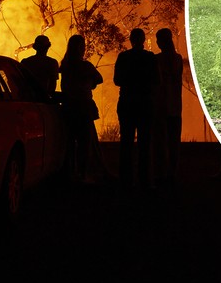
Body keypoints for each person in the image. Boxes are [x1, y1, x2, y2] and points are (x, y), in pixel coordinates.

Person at [113, 28, 159, 191]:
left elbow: (117, 80)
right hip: (145, 103)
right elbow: (156, 80)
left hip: (127, 103)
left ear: (131, 40)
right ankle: (145, 180)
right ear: (143, 40)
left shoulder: (124, 57)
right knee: (145, 143)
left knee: (126, 142)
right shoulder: (150, 58)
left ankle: (126, 180)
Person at [59, 34, 103, 181]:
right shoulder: (85, 66)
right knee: (85, 143)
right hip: (83, 109)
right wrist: (89, 84)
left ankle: (70, 173)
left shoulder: (64, 66)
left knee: (70, 142)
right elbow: (99, 79)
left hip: (68, 108)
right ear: (79, 48)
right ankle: (83, 174)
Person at [154, 28, 184, 185]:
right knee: (173, 142)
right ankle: (172, 172)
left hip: (161, 107)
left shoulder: (156, 60)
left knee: (161, 142)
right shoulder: (177, 59)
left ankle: (162, 172)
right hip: (175, 107)